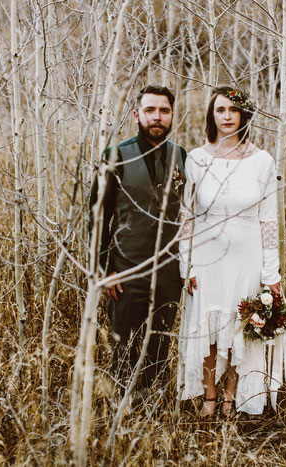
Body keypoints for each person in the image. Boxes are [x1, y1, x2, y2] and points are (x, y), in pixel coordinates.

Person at [178, 86, 286, 417]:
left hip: (248, 255)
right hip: (208, 255)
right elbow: (187, 216)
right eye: (220, 110)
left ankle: (232, 395)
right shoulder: (197, 159)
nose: (226, 116)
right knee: (210, 325)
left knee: (243, 324)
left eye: (233, 110)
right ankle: (210, 394)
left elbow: (269, 221)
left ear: (244, 115)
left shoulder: (262, 161)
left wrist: (271, 273)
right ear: (212, 115)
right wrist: (188, 266)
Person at [89, 85, 187, 394]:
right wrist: (106, 270)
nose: (157, 117)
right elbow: (97, 218)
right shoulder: (116, 154)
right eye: (150, 110)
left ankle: (154, 411)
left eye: (164, 111)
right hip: (127, 270)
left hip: (169, 271)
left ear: (172, 115)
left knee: (159, 345)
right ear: (136, 114)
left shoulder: (180, 155)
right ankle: (123, 415)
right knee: (124, 349)